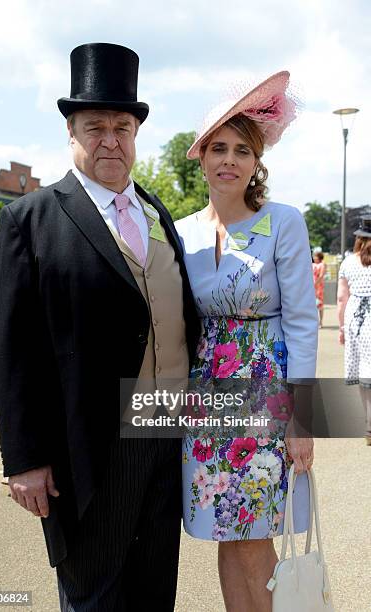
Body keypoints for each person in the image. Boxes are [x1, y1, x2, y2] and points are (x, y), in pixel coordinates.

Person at [0, 43, 200, 611]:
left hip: (164, 427)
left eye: (122, 126)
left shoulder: (157, 212)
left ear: (136, 134)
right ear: (71, 133)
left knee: (156, 586)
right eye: (95, 127)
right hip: (87, 441)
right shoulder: (29, 220)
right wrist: (23, 460)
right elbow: (14, 353)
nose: (110, 139)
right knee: (95, 592)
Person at [175, 71, 318, 612]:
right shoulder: (182, 230)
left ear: (257, 161)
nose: (228, 160)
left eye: (241, 149)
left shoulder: (283, 223)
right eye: (218, 148)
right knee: (223, 529)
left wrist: (302, 421)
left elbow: (304, 322)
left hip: (265, 395)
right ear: (203, 157)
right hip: (206, 399)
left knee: (256, 532)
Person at [337, 215, 371, 445]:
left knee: (364, 373)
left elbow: (341, 298)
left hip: (357, 322)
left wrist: (341, 327)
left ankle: (369, 425)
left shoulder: (348, 263)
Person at [312, 250, 327, 327]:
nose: (314, 258)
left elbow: (321, 276)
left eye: (316, 256)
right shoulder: (312, 264)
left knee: (319, 305)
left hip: (319, 287)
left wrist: (315, 284)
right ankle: (315, 321)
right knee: (312, 305)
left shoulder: (322, 264)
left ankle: (321, 321)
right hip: (312, 287)